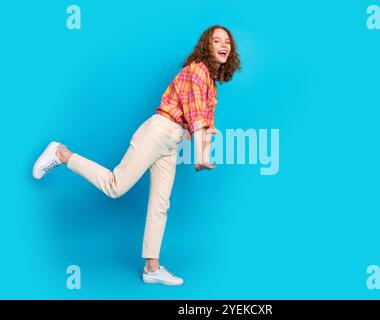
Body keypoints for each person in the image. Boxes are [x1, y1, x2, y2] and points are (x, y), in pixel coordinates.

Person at [32, 25, 241, 286]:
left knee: (160, 204)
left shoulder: (210, 82)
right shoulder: (197, 69)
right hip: (158, 131)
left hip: (171, 142)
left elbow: (206, 125)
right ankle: (62, 154)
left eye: (227, 42)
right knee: (115, 185)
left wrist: (204, 153)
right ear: (206, 47)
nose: (224, 45)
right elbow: (198, 119)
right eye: (216, 40)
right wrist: (199, 155)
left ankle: (151, 267)